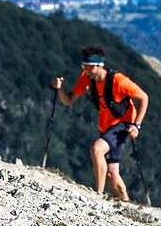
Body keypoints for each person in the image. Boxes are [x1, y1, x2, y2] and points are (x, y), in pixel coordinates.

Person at [52, 46, 150, 201]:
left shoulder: (119, 81)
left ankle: (98, 194)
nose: (86, 70)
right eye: (84, 66)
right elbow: (69, 100)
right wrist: (59, 89)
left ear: (100, 65)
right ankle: (127, 203)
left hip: (123, 125)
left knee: (97, 149)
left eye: (90, 67)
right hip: (106, 127)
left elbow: (144, 97)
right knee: (112, 174)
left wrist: (137, 125)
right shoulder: (87, 78)